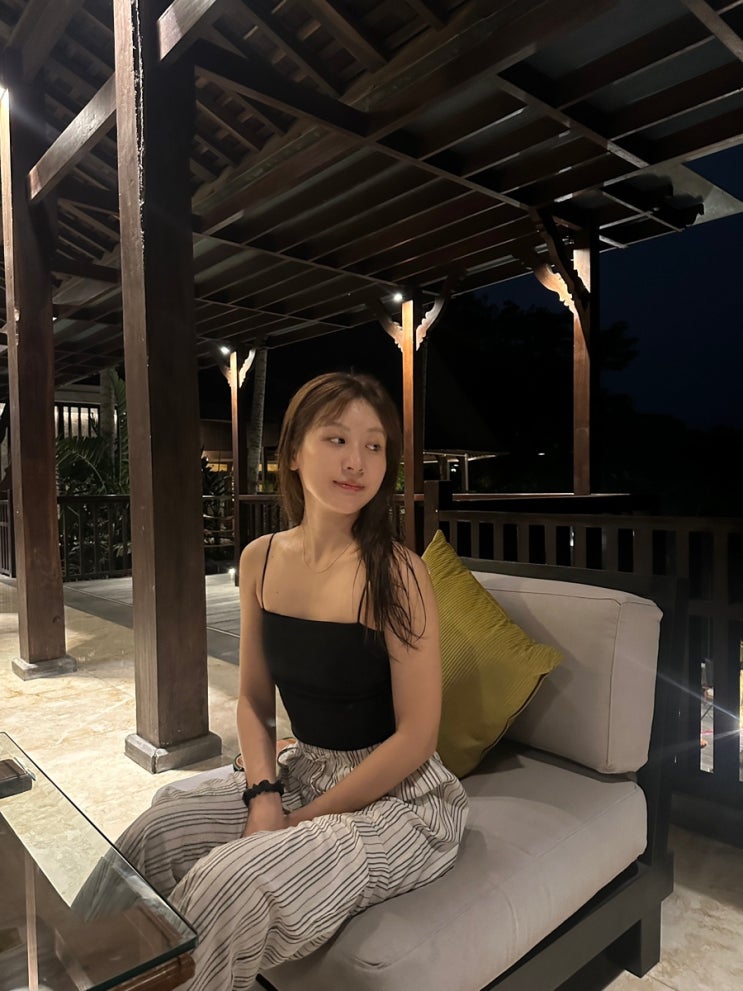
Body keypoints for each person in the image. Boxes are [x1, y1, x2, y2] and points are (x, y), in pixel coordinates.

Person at [110, 371, 468, 990]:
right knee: (151, 836)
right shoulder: (262, 558)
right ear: (295, 452)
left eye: (375, 445)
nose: (356, 461)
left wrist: (299, 824)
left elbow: (417, 738)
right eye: (337, 439)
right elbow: (254, 701)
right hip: (303, 770)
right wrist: (265, 797)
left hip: (402, 801)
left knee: (230, 883)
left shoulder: (399, 573)